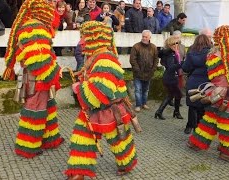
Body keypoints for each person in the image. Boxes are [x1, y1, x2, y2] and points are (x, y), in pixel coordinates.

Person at [65, 21, 138, 180]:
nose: (81, 42)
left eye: (85, 37)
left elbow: (99, 91)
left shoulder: (106, 59)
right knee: (82, 136)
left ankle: (126, 163)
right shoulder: (93, 57)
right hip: (93, 110)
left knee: (119, 140)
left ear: (95, 38)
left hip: (111, 110)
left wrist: (79, 87)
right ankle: (79, 171)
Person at [2, 0, 64, 158]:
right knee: (35, 110)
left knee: (47, 107)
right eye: (50, 10)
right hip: (37, 78)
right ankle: (27, 146)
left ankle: (50, 138)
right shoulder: (35, 28)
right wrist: (55, 72)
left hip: (37, 77)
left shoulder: (32, 25)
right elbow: (39, 60)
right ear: (43, 11)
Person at [187, 25, 229, 165]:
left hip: (216, 93)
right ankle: (227, 153)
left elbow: (212, 75)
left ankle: (196, 143)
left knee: (211, 119)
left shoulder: (212, 56)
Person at [182, 34, 211, 134]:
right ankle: (201, 130)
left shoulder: (191, 53)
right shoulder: (211, 54)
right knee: (203, 107)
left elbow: (185, 68)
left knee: (192, 106)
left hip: (193, 81)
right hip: (207, 83)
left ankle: (192, 127)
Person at [154, 36, 184, 120]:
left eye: (177, 43)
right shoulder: (170, 54)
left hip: (171, 77)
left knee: (172, 95)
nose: (175, 45)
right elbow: (171, 67)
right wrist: (181, 64)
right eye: (173, 44)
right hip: (170, 78)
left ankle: (161, 112)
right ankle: (175, 112)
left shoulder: (174, 52)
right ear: (169, 45)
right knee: (176, 95)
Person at [130, 30, 159, 112]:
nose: (144, 38)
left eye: (146, 37)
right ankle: (138, 105)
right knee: (138, 90)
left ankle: (144, 103)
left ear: (150, 37)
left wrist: (153, 69)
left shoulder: (153, 47)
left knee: (146, 90)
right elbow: (132, 59)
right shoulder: (136, 46)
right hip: (138, 73)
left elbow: (156, 59)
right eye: (143, 36)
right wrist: (137, 69)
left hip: (149, 73)